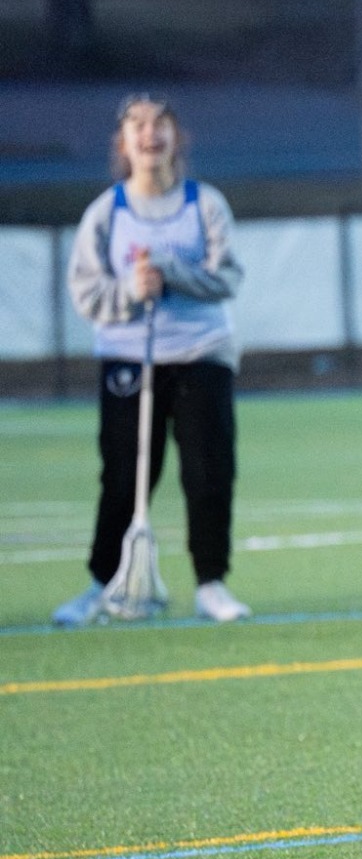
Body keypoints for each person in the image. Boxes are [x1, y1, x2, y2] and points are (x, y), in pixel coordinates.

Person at [56, 95, 251, 626]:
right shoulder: (107, 211)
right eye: (137, 125)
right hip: (128, 357)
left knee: (209, 472)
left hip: (199, 354)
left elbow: (227, 277)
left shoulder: (203, 203)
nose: (150, 134)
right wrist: (130, 290)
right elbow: (86, 293)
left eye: (160, 123)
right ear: (123, 142)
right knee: (125, 475)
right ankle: (102, 583)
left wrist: (170, 270)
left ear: (175, 136)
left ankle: (212, 583)